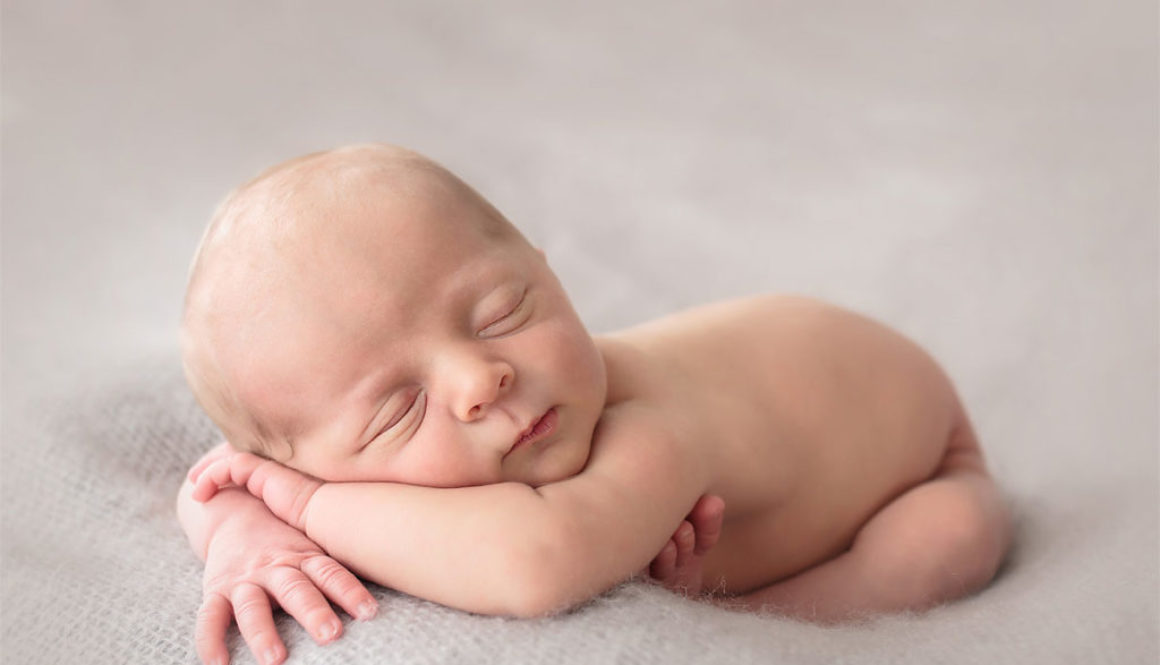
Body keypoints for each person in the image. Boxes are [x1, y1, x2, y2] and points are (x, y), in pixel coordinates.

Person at [177, 144, 1011, 665]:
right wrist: (241, 534)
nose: (480, 380)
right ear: (290, 455)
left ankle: (770, 617)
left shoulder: (643, 431)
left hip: (919, 450)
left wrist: (312, 506)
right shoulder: (299, 466)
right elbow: (219, 484)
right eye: (398, 409)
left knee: (944, 542)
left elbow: (535, 562)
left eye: (504, 312)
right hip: (796, 343)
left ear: (549, 270)